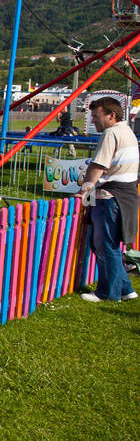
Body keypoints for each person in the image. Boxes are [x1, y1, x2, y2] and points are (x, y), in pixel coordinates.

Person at [78, 96, 138, 303]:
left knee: (105, 245)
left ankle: (108, 293)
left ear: (111, 115)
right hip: (126, 193)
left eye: (96, 116)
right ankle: (125, 288)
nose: (93, 120)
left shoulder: (111, 133)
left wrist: (84, 191)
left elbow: (98, 166)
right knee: (109, 245)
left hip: (110, 196)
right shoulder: (126, 130)